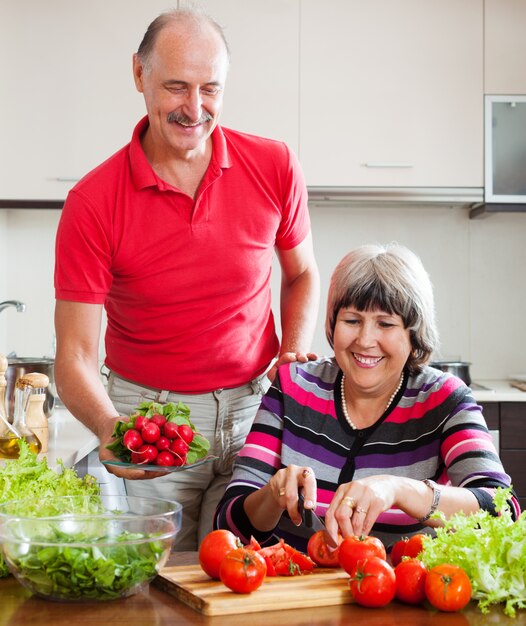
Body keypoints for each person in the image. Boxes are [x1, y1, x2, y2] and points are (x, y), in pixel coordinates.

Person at [53, 7, 320, 550]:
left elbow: (303, 273)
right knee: (151, 587)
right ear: (139, 75)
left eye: (210, 89)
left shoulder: (275, 166)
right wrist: (112, 431)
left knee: (242, 580)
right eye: (176, 87)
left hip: (256, 415)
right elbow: (74, 357)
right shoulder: (93, 202)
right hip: (150, 428)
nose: (194, 108)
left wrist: (293, 350)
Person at [214, 243, 519, 553]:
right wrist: (272, 495)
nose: (365, 340)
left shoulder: (445, 399)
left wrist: (400, 490)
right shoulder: (294, 385)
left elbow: (503, 511)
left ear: (414, 334)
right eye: (352, 320)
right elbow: (228, 525)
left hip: (401, 593)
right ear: (333, 324)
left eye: (385, 324)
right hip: (296, 590)